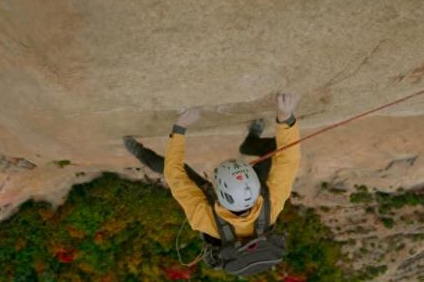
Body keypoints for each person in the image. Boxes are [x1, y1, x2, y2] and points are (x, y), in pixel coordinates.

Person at [123, 93, 301, 241]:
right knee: (274, 150)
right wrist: (286, 118)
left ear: (215, 186)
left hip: (213, 205)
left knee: (171, 168)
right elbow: (288, 160)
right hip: (255, 191)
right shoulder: (272, 204)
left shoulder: (204, 218)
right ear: (255, 186)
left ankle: (139, 151)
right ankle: (250, 142)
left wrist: (179, 130)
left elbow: (174, 174)